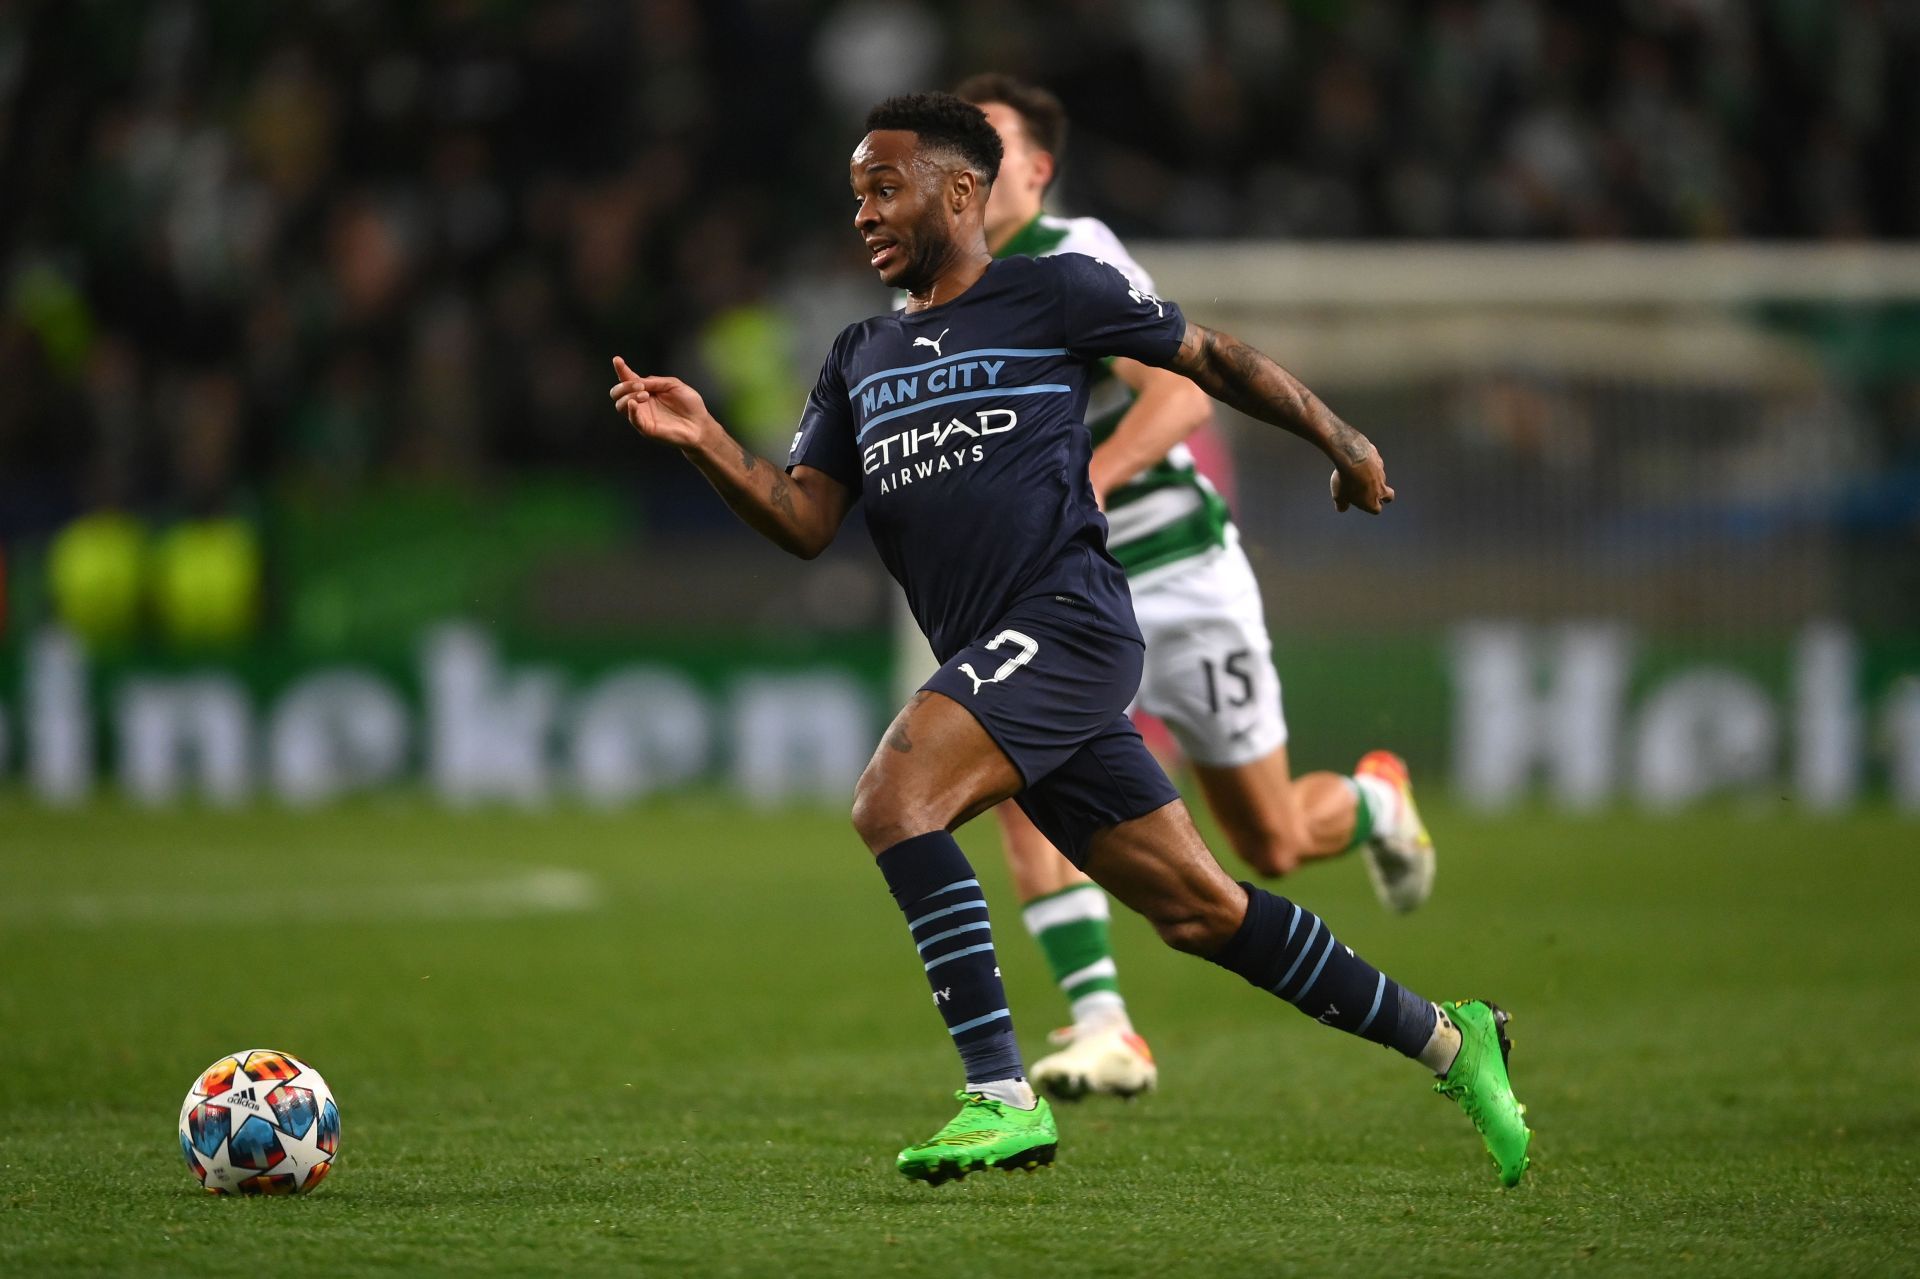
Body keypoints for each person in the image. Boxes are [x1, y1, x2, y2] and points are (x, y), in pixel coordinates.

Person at [608, 93, 1530, 1189]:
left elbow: (1215, 361)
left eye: (884, 188)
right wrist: (706, 436)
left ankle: (1000, 1094)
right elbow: (806, 519)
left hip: (1067, 622)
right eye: (856, 194)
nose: (863, 214)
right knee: (1202, 911)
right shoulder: (858, 354)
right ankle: (1450, 1035)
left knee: (891, 801)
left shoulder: (1052, 292)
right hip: (1009, 653)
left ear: (962, 192)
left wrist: (1342, 438)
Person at [952, 72, 1436, 1103]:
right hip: (1065, 596)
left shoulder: (1071, 252)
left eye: (992, 144)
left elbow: (1177, 401)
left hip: (1174, 573)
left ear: (1037, 170)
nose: (973, 164)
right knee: (1015, 784)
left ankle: (1373, 799)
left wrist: (1080, 483)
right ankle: (1105, 1026)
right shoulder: (944, 290)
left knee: (1268, 842)